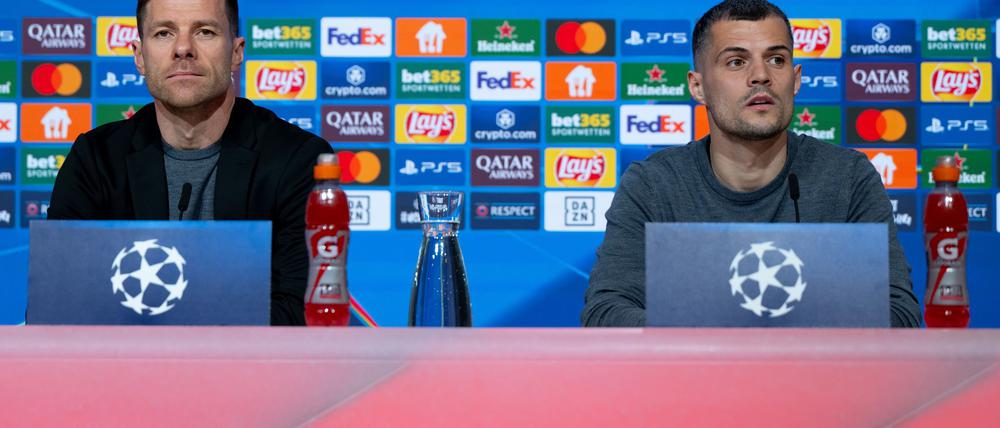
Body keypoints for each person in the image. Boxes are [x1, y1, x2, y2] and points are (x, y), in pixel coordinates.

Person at [582, 0, 921, 327]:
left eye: (776, 59)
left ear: (796, 78)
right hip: (696, 383)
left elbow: (899, 315)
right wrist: (734, 339)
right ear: (698, 87)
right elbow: (605, 314)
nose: (761, 75)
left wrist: (757, 335)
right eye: (736, 62)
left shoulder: (847, 178)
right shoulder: (654, 184)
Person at [47, 0, 332, 326]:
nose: (183, 48)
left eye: (205, 32)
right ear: (139, 56)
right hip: (124, 374)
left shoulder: (297, 161)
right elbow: (58, 307)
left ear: (237, 52)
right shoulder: (94, 160)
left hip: (252, 373)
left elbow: (305, 313)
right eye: (164, 33)